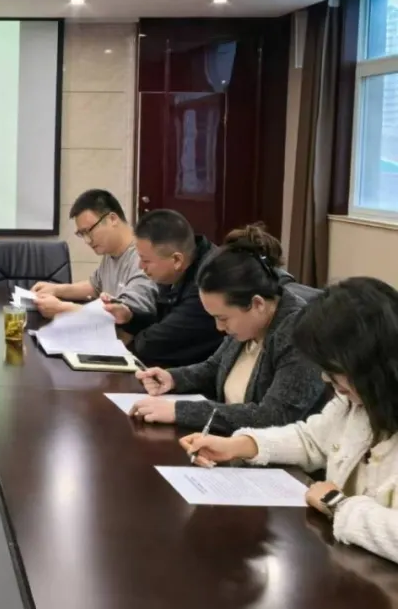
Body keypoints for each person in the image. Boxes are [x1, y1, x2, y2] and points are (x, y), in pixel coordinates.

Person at [182, 278, 398, 566]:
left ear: (371, 361)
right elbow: (311, 439)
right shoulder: (357, 403)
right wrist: (240, 445)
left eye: (334, 370)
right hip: (354, 566)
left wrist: (338, 505)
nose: (326, 379)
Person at [128, 224, 326, 432]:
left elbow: (274, 417)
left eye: (223, 318)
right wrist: (173, 379)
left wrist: (180, 411)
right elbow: (214, 367)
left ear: (257, 304)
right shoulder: (248, 324)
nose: (219, 327)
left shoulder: (299, 334)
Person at [104, 209, 224, 368]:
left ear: (177, 260)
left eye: (146, 260)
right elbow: (161, 320)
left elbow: (153, 344)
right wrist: (129, 316)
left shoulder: (209, 281)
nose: (140, 266)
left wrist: (131, 336)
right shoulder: (179, 268)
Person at [30, 189, 156, 320]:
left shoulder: (143, 257)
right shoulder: (111, 251)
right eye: (82, 234)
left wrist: (63, 309)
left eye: (89, 231)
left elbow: (125, 314)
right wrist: (56, 289)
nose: (87, 240)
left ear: (112, 219)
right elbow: (95, 286)